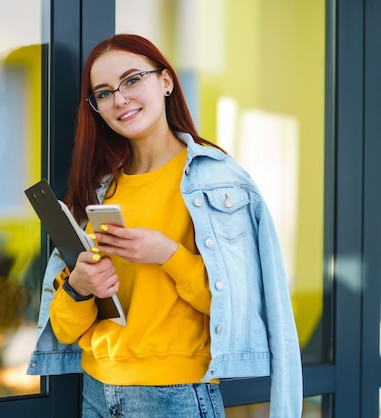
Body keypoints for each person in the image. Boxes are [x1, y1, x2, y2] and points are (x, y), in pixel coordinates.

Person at [27, 34, 302, 417]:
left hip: (173, 396)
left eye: (132, 79)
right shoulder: (101, 192)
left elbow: (238, 310)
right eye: (104, 93)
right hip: (95, 391)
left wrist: (168, 254)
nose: (120, 99)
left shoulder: (217, 182)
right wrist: (79, 288)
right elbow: (65, 330)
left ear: (166, 81)